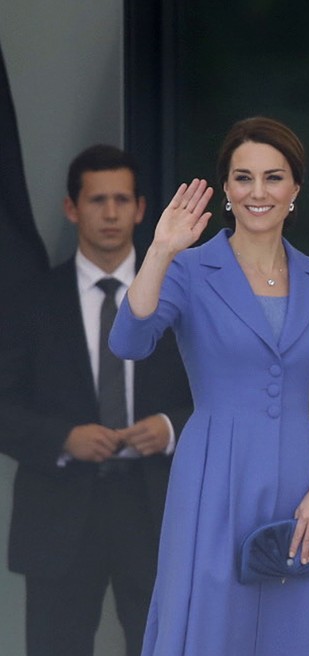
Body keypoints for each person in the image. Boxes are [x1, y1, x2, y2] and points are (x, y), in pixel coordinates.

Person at [108, 117, 309, 655]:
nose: (258, 192)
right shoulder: (190, 270)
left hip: (301, 484)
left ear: (295, 189)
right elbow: (129, 341)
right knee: (211, 629)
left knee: (297, 629)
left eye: (273, 177)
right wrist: (159, 251)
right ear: (225, 189)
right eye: (243, 178)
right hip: (212, 480)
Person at [0, 145, 193, 656]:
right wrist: (62, 438)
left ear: (140, 209)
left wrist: (172, 428)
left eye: (121, 200)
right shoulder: (29, 301)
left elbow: (218, 395)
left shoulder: (180, 297)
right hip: (60, 507)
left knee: (163, 646)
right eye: (97, 200)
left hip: (153, 507)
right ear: (72, 208)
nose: (110, 213)